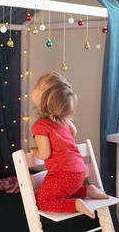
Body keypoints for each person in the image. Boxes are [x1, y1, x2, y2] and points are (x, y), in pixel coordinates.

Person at [30, 72, 109, 219]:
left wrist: (34, 151)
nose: (33, 89)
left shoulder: (39, 126)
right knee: (63, 189)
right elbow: (74, 131)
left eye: (36, 87)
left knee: (42, 200)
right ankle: (88, 190)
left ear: (45, 100)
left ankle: (75, 204)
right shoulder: (63, 121)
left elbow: (45, 154)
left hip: (63, 175)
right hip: (78, 172)